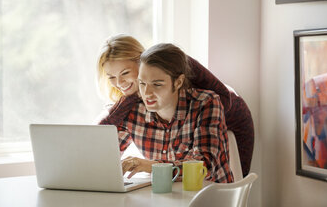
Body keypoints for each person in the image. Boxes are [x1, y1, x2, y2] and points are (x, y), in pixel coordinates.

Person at [97, 34, 254, 177]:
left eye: (125, 73)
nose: (119, 83)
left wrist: (153, 166)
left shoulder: (178, 67)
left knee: (237, 179)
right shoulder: (134, 106)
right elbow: (102, 142)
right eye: (111, 77)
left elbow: (223, 99)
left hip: (233, 115)